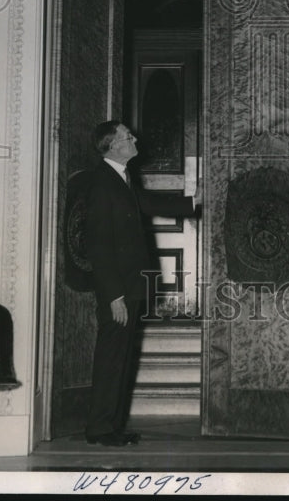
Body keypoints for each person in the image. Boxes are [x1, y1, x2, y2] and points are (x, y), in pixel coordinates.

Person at [83, 120, 200, 447]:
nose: (134, 138)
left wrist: (191, 202)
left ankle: (111, 426)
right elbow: (99, 245)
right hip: (118, 290)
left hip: (129, 285)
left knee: (120, 359)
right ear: (112, 146)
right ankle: (100, 428)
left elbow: (148, 204)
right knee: (111, 359)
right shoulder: (101, 183)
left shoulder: (121, 179)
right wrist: (113, 295)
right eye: (127, 136)